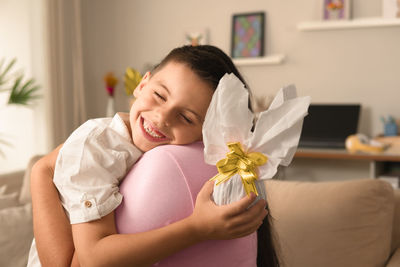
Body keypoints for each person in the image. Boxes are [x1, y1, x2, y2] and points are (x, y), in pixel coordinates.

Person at [29, 45, 279, 266]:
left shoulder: (181, 155)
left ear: (206, 134)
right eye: (159, 95)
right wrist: (197, 227)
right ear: (142, 84)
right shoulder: (98, 147)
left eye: (186, 117)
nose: (161, 118)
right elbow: (94, 259)